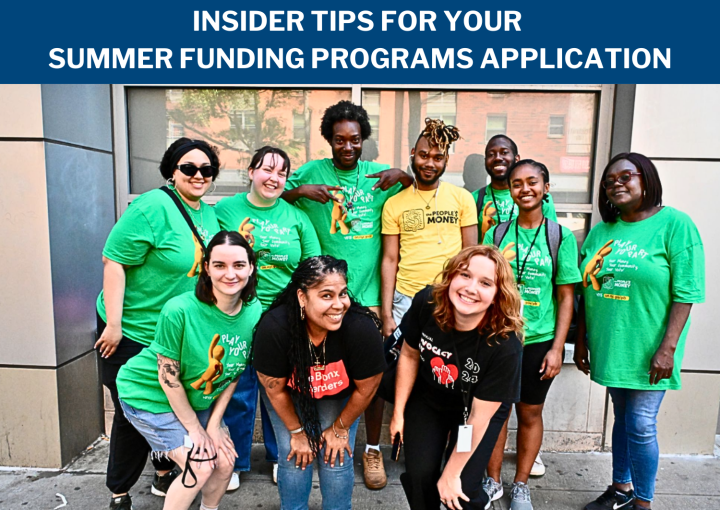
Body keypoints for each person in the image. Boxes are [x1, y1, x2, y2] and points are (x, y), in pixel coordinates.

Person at [282, 100, 413, 489]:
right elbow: (272, 198)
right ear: (329, 140)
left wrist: (403, 175)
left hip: (368, 298)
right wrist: (301, 190)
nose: (347, 147)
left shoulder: (378, 176)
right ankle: (311, 440)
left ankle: (371, 450)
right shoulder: (310, 173)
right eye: (339, 140)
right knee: (315, 372)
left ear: (363, 140)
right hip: (322, 298)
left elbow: (416, 187)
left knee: (368, 379)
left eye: (355, 140)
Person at [94, 137, 222, 510]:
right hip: (132, 330)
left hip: (170, 334)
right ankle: (119, 490)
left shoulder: (206, 212)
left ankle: (163, 472)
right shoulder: (152, 206)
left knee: (168, 405)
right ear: (172, 171)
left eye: (206, 169)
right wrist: (114, 324)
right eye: (189, 168)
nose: (198, 175)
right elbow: (113, 261)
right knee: (132, 411)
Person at [574, 153, 704, 510]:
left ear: (646, 179)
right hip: (612, 344)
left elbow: (687, 292)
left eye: (625, 176)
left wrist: (668, 349)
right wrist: (581, 340)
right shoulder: (602, 230)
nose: (616, 183)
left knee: (642, 424)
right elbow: (586, 288)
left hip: (650, 348)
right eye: (609, 180)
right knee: (623, 417)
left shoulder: (675, 224)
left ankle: (642, 503)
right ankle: (620, 489)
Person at [116, 231, 261, 510]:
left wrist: (215, 424)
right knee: (200, 465)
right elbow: (167, 378)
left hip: (195, 398)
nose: (230, 274)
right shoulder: (179, 310)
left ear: (251, 267)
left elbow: (234, 370)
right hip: (149, 395)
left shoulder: (253, 310)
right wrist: (196, 430)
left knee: (225, 462)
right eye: (219, 265)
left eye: (239, 265)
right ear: (206, 268)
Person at [387, 245, 524, 510]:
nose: (471, 288)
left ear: (497, 295)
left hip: (474, 410)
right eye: (464, 275)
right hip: (429, 397)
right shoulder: (427, 302)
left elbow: (477, 419)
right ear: (451, 277)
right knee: (420, 475)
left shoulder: (506, 345)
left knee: (460, 487)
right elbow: (409, 355)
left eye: (485, 283)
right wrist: (399, 413)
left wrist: (450, 475)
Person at [215, 146, 321, 487]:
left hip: (282, 318)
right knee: (238, 389)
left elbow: (312, 268)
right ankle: (233, 461)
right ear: (250, 172)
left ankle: (281, 455)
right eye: (267, 169)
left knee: (282, 388)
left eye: (281, 173)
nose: (273, 178)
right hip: (237, 312)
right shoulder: (225, 210)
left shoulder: (295, 217)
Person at [482, 160, 582, 510]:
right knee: (496, 413)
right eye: (517, 183)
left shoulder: (560, 236)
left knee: (529, 413)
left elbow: (567, 295)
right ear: (509, 190)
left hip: (540, 340)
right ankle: (491, 481)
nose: (525, 189)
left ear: (546, 187)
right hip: (500, 338)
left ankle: (520, 485)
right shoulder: (496, 234)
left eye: (532, 182)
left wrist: (558, 348)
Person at [254, 256, 387, 509]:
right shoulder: (275, 328)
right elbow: (274, 388)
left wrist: (339, 429)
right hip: (289, 395)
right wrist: (297, 433)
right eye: (326, 296)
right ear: (302, 298)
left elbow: (368, 386)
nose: (338, 305)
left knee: (335, 455)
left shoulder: (361, 328)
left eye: (343, 294)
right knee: (295, 456)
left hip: (339, 397)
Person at [381, 118, 478, 337]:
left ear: (446, 160)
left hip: (451, 298)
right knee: (402, 365)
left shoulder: (462, 198)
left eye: (437, 158)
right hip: (405, 299)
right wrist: (387, 314)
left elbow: (470, 255)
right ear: (413, 153)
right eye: (424, 155)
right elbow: (389, 259)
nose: (429, 163)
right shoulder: (394, 203)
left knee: (445, 367)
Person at [472, 135, 557, 241]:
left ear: (516, 158)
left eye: (504, 152)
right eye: (491, 154)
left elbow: (552, 236)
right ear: (485, 161)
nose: (498, 158)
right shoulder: (473, 199)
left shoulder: (539, 197)